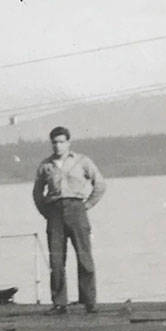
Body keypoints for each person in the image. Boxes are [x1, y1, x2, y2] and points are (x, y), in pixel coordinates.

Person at [33, 126, 106, 314]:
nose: (58, 146)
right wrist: (46, 212)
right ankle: (59, 303)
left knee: (84, 257)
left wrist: (87, 205)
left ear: (68, 143)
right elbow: (37, 193)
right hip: (54, 213)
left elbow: (100, 184)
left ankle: (89, 301)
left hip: (77, 209)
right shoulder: (45, 166)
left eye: (61, 142)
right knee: (57, 259)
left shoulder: (82, 161)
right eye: (54, 142)